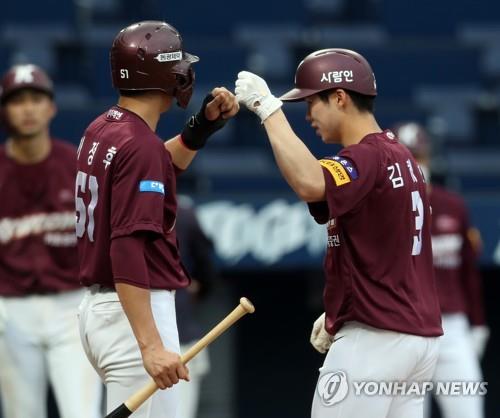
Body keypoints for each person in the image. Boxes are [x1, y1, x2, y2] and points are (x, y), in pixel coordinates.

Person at [235, 49, 443, 418]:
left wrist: (268, 110)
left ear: (340, 97)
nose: (309, 114)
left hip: (376, 339)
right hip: (416, 341)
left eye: (311, 102)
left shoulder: (367, 156)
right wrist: (343, 305)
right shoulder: (401, 156)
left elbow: (310, 183)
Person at [76, 20, 239, 418]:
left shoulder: (103, 128)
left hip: (102, 312)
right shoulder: (139, 144)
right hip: (134, 315)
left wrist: (199, 130)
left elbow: (154, 168)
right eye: (178, 66)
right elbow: (128, 244)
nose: (185, 74)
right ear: (163, 73)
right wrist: (150, 345)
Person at [0, 64, 102, 418]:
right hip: (10, 309)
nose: (27, 109)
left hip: (71, 306)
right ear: (5, 111)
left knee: (82, 413)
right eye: (17, 101)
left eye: (36, 99)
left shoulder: (74, 164)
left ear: (51, 107)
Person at [393, 121, 489, 418]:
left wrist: (478, 323)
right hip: (404, 326)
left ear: (428, 158)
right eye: (407, 158)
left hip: (452, 327)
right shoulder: (383, 208)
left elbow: (468, 273)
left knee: (467, 412)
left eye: (418, 157)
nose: (415, 164)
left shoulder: (453, 206)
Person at [176, 196, 218, 418]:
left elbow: (206, 269)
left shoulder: (182, 213)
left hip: (179, 338)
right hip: (133, 341)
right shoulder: (182, 211)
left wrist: (194, 288)